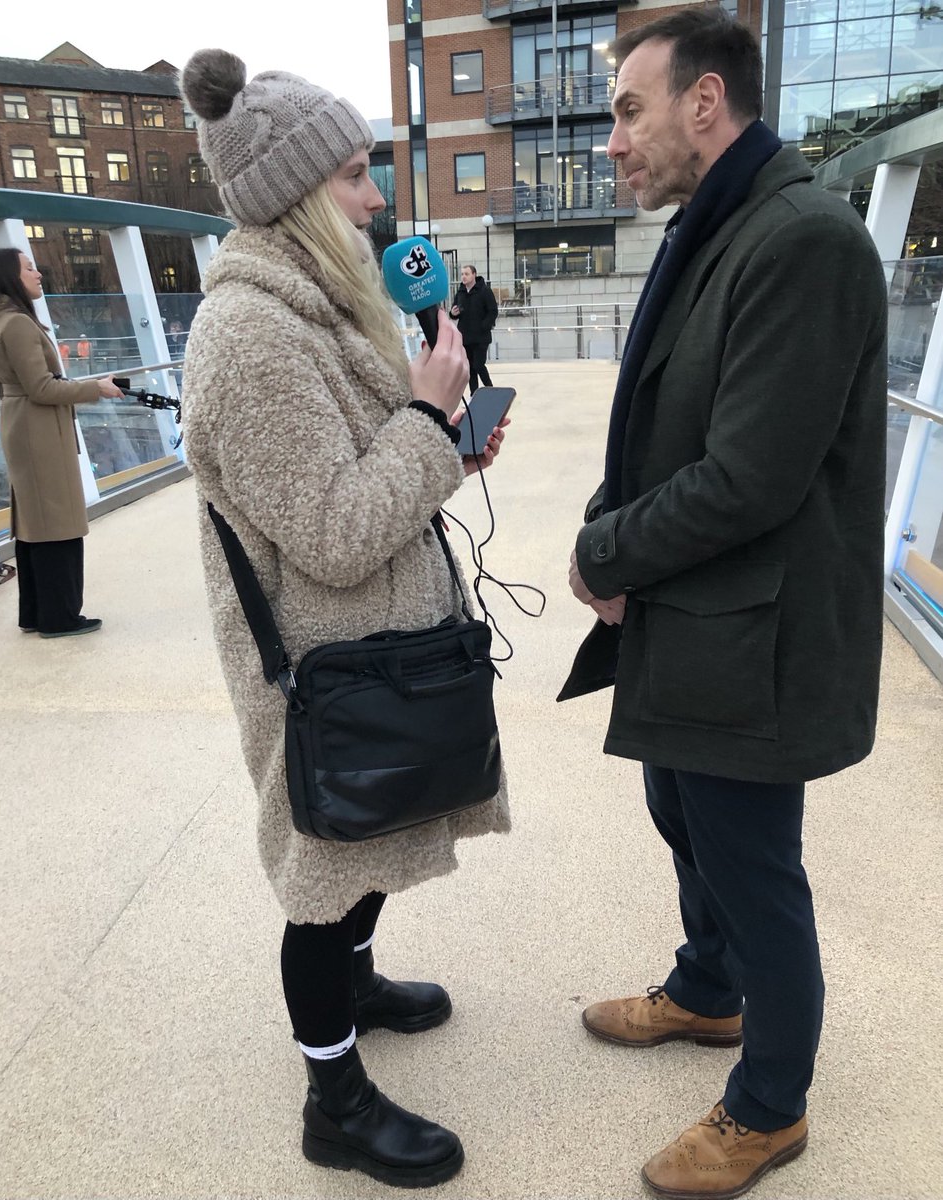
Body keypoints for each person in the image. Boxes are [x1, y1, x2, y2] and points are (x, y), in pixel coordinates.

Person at [559, 9, 886, 1200]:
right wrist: (612, 526)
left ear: (704, 102)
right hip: (698, 615)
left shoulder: (799, 238)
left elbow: (751, 477)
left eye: (626, 111)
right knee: (681, 813)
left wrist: (607, 552)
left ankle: (768, 1106)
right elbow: (664, 422)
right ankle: (706, 992)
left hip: (757, 633)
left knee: (751, 864)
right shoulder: (722, 224)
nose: (611, 142)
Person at [179, 49, 510, 1190]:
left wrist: (446, 441)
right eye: (356, 173)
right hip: (320, 674)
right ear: (298, 193)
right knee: (322, 877)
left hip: (367, 651)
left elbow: (371, 472)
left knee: (365, 846)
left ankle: (358, 990)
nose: (376, 197)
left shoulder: (314, 308)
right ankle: (335, 1099)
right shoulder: (252, 336)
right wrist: (424, 420)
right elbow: (330, 528)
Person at [0, 249, 123, 637]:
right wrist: (96, 388)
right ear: (10, 276)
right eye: (29, 268)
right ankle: (59, 617)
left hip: (23, 424)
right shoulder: (18, 324)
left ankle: (36, 613)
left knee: (35, 522)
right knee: (56, 520)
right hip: (39, 429)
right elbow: (42, 388)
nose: (38, 273)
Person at [449, 264, 498, 395]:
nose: (463, 277)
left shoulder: (485, 291)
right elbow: (455, 311)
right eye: (462, 274)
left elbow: (493, 311)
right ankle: (474, 394)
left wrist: (484, 326)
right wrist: (453, 313)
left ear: (474, 275)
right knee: (470, 368)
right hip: (465, 337)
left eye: (467, 274)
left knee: (478, 365)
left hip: (481, 337)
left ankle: (490, 390)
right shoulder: (460, 292)